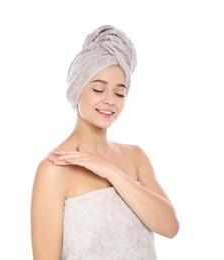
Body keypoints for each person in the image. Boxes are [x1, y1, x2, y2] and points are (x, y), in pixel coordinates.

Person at [30, 24, 179, 259]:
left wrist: (112, 173)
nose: (110, 100)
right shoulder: (54, 169)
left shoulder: (136, 157)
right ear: (76, 90)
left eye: (120, 93)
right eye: (99, 89)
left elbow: (169, 227)